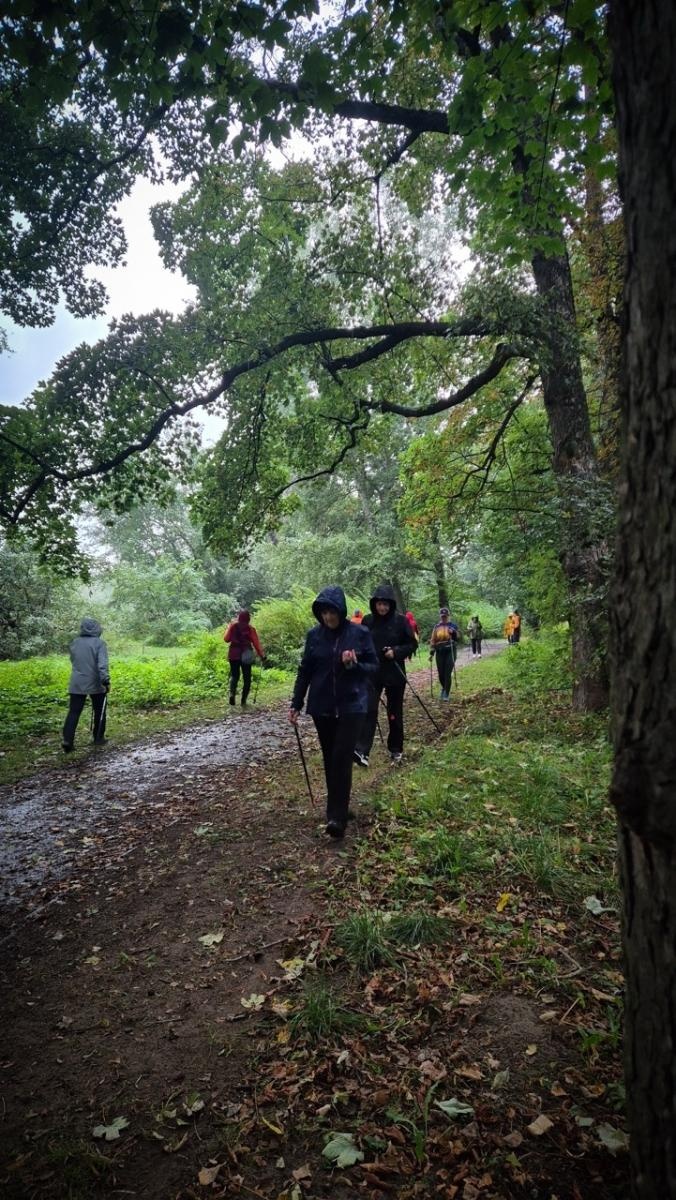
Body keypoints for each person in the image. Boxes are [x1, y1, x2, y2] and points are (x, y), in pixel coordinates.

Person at [289, 585, 378, 838]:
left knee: (341, 756)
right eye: (324, 613)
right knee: (331, 759)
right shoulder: (314, 636)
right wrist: (296, 703)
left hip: (352, 706)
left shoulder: (359, 633)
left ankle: (336, 817)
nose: (328, 618)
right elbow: (305, 670)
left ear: (341, 611)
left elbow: (373, 667)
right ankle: (340, 807)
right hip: (322, 706)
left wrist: (355, 664)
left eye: (332, 612)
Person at [353, 584, 417, 768]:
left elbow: (412, 644)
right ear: (374, 604)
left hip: (394, 672)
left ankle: (396, 748)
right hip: (372, 673)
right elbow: (360, 644)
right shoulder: (367, 621)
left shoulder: (401, 621)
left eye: (386, 605)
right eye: (379, 604)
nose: (382, 608)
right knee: (368, 709)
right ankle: (362, 750)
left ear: (391, 605)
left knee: (394, 712)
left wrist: (395, 652)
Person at [62, 617, 110, 752]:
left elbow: (74, 660)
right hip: (96, 682)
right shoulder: (99, 644)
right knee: (100, 710)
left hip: (77, 681)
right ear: (97, 628)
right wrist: (106, 681)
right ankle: (98, 738)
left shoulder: (74, 643)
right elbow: (102, 665)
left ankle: (67, 740)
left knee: (74, 712)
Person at [224, 610, 265, 706]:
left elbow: (226, 639)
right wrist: (262, 655)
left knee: (235, 676)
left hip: (234, 654)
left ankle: (232, 694)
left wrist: (228, 628)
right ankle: (243, 700)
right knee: (247, 678)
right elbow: (256, 644)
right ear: (248, 619)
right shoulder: (250, 629)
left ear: (239, 617)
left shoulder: (233, 626)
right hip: (246, 654)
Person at [429, 607, 459, 699]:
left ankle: (446, 692)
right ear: (440, 616)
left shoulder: (453, 625)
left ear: (448, 616)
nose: (444, 618)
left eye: (445, 616)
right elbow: (433, 639)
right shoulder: (437, 626)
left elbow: (458, 637)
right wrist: (432, 652)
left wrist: (453, 633)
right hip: (440, 651)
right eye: (442, 616)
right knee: (441, 673)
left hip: (450, 650)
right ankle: (444, 688)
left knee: (447, 672)